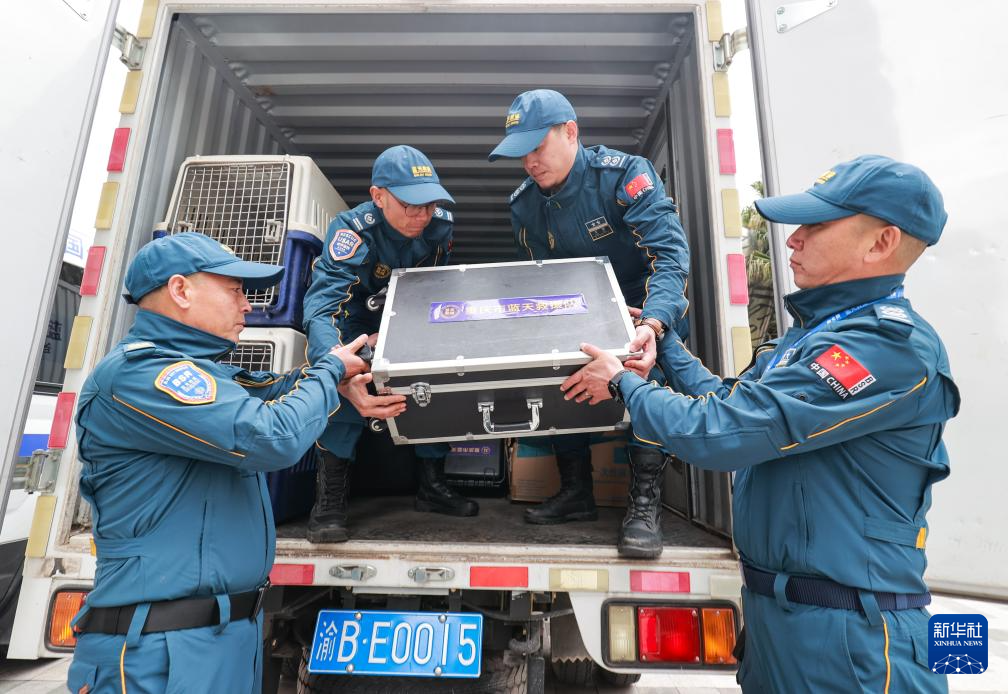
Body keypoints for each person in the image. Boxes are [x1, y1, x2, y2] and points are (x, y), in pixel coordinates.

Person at [564, 155, 957, 692]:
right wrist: (664, 344)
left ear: (880, 243)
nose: (793, 239)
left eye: (816, 226)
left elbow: (726, 432)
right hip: (783, 622)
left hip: (851, 641)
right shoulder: (813, 337)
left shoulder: (886, 349)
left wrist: (621, 383)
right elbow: (729, 400)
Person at [67, 232, 369, 694]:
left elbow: (272, 391)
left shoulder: (205, 374)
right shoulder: (139, 375)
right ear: (180, 290)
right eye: (235, 290)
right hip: (161, 652)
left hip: (221, 638)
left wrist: (340, 378)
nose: (247, 305)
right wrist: (329, 371)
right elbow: (272, 436)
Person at [488, 89, 690, 558]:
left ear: (571, 132)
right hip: (575, 311)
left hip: (641, 308)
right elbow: (540, 279)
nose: (529, 162)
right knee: (557, 371)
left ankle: (644, 503)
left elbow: (669, 257)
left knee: (647, 378)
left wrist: (654, 323)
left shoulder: (623, 177)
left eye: (537, 147)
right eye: (521, 153)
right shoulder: (523, 205)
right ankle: (576, 491)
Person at [301, 144, 479, 543]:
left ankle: (432, 485)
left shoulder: (439, 225)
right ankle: (329, 501)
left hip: (410, 316)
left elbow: (435, 284)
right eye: (410, 205)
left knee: (435, 381)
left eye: (429, 205)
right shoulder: (352, 231)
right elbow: (323, 308)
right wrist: (338, 362)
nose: (422, 215)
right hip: (353, 323)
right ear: (378, 196)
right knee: (347, 388)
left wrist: (411, 333)